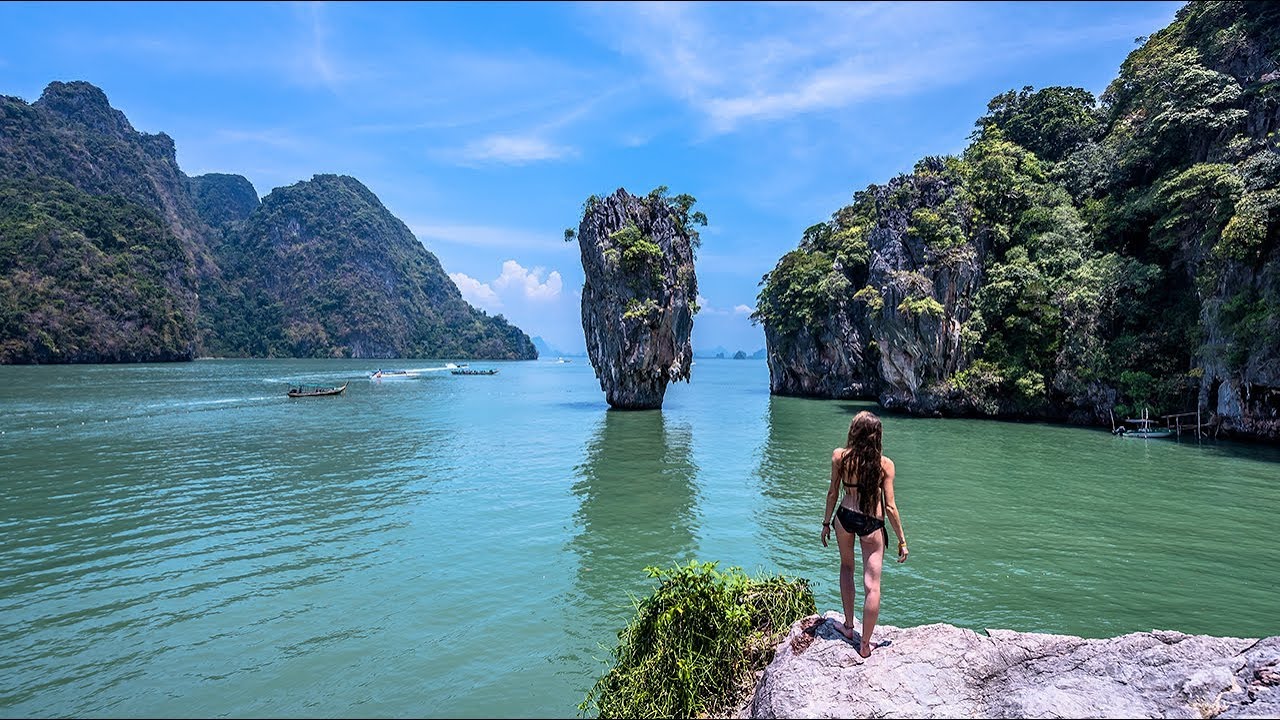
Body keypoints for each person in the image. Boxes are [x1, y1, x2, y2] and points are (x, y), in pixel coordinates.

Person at [820, 410, 908, 658]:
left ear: (854, 432)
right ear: (876, 436)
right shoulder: (884, 465)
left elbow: (832, 493)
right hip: (872, 522)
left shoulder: (840, 457)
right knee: (873, 585)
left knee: (847, 567)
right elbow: (890, 506)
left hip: (845, 517)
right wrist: (902, 540)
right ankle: (865, 644)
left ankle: (849, 627)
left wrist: (826, 523)